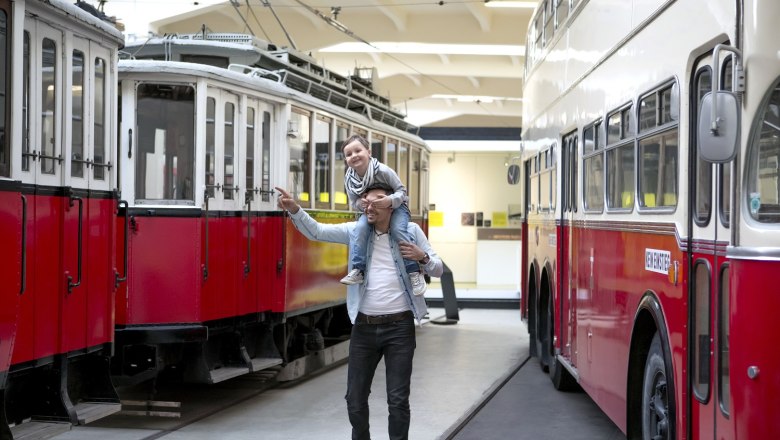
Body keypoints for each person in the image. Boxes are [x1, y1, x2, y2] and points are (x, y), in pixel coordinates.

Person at [276, 184, 443, 440]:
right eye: (365, 200)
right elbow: (318, 231)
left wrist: (422, 258)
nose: (368, 204)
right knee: (354, 398)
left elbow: (438, 269)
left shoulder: (410, 231)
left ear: (391, 205)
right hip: (364, 327)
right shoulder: (356, 232)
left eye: (376, 200)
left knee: (397, 399)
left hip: (399, 328)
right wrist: (295, 209)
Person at [340, 134, 427, 296]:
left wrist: (389, 200)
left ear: (369, 152)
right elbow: (354, 201)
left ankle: (414, 271)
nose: (354, 156)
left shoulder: (383, 171)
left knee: (398, 230)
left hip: (397, 207)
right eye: (349, 154)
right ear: (345, 160)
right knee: (360, 229)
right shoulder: (349, 178)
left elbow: (402, 192)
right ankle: (358, 270)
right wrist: (361, 204)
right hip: (371, 210)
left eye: (358, 150)